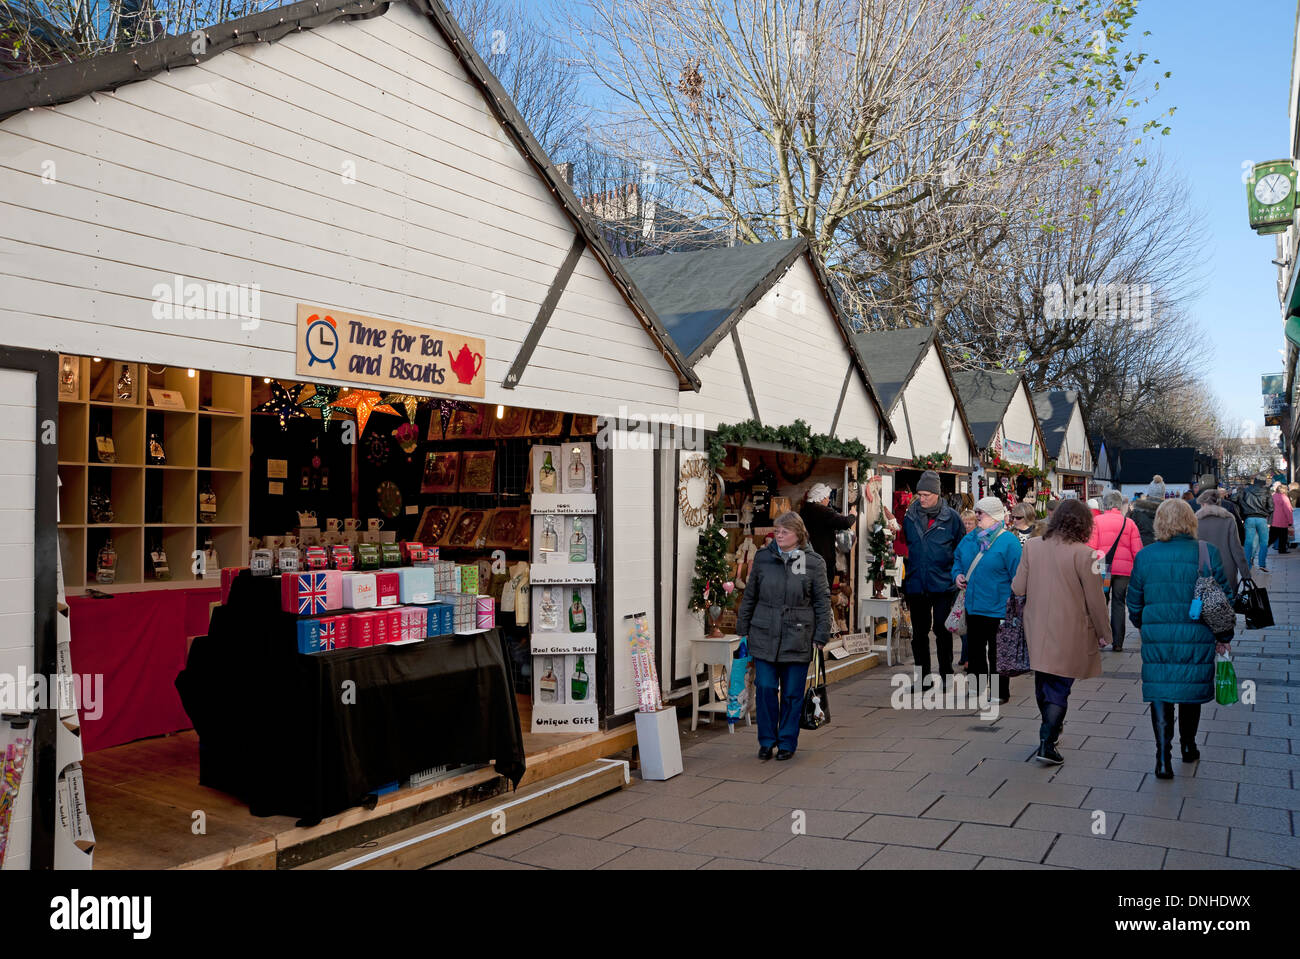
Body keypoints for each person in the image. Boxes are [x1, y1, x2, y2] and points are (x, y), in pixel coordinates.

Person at [1127, 499, 1232, 779]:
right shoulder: (1206, 553)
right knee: (1189, 692)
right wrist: (1223, 635)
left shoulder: (1146, 556)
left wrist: (1142, 624)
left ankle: (1162, 758)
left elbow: (1134, 600)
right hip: (1196, 634)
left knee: (1160, 692)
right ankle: (1188, 746)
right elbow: (1223, 599)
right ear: (1191, 521)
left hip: (1158, 637)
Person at [1012, 499, 1112, 764]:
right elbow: (1096, 600)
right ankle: (1048, 740)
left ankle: (1050, 730)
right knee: (1059, 686)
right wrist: (1105, 632)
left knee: (1044, 681)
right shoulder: (1087, 554)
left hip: (1036, 626)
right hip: (1070, 629)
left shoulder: (1032, 546)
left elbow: (1018, 587)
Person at [736, 511, 832, 761]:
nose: (778, 536)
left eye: (784, 532)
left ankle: (787, 741)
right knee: (766, 688)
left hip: (798, 635)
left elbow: (822, 601)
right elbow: (750, 594)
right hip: (764, 632)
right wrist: (742, 627)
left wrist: (822, 634)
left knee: (791, 692)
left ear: (798, 535)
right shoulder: (764, 558)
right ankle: (767, 741)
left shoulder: (813, 563)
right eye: (776, 531)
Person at [952, 497, 1022, 705]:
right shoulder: (970, 539)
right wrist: (957, 575)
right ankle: (976, 687)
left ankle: (1000, 692)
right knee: (974, 649)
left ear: (993, 516)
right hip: (973, 605)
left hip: (999, 607)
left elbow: (1018, 576)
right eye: (976, 512)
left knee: (997, 652)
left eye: (980, 513)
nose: (976, 516)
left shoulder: (1009, 542)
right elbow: (957, 560)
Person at [899, 469, 964, 687]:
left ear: (937, 494)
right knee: (919, 633)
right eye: (920, 494)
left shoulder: (952, 518)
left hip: (943, 583)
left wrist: (956, 574)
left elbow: (960, 549)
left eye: (926, 494)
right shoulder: (910, 515)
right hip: (917, 582)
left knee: (942, 631)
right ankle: (923, 678)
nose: (922, 498)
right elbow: (906, 543)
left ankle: (946, 674)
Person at [1087, 489, 1143, 652]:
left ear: (1105, 504)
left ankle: (1101, 638)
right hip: (1124, 570)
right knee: (1119, 603)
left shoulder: (1097, 521)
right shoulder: (1129, 523)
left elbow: (1091, 547)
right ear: (1120, 505)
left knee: (1101, 602)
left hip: (1102, 566)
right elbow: (1137, 550)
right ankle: (1118, 642)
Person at [799, 482, 857, 585]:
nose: (828, 500)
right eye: (827, 497)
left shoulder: (804, 511)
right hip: (822, 559)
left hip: (806, 558)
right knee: (823, 593)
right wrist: (852, 515)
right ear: (821, 498)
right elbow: (846, 523)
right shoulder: (822, 511)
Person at [1196, 489, 1246, 601]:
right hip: (1227, 568)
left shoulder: (1196, 521)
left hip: (1203, 569)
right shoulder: (1228, 519)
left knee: (1204, 605)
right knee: (1227, 605)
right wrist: (1245, 574)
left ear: (1203, 504)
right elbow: (1236, 548)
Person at [1234, 472, 1272, 573]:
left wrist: (1242, 508)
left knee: (1248, 543)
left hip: (1249, 518)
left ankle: (1248, 565)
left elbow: (1233, 498)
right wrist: (1266, 513)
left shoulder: (1245, 490)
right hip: (1262, 519)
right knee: (1264, 542)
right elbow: (1271, 507)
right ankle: (1262, 564)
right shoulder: (1266, 491)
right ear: (1263, 482)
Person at [1129, 475, 1164, 547]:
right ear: (1163, 493)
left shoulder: (1137, 511)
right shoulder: (1169, 512)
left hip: (1141, 548)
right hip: (1163, 550)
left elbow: (1130, 533)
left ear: (1149, 492)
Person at [1269, 482, 1293, 556]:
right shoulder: (1284, 498)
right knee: (1283, 537)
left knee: (1272, 537)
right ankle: (1282, 550)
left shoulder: (1273, 496)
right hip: (1283, 521)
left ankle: (1263, 547)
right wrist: (1290, 521)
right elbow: (1288, 510)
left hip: (1273, 520)